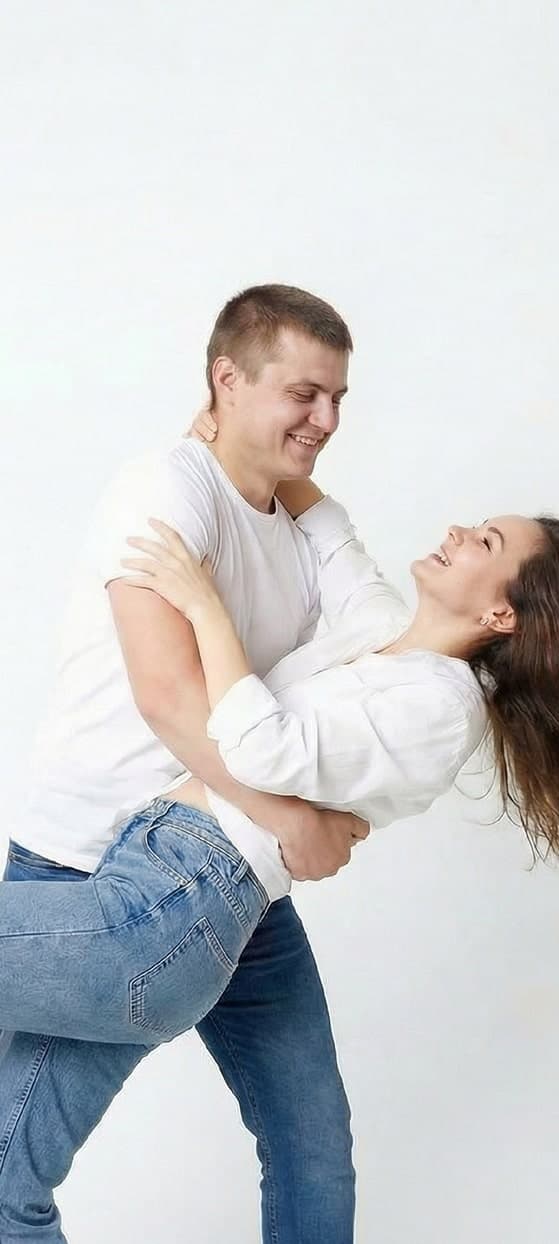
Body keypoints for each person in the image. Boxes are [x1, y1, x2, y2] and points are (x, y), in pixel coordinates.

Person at [1, 437, 559, 1040]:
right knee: (17, 1161)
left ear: (500, 613)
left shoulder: (440, 707)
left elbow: (263, 751)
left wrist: (201, 600)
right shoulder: (383, 635)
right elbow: (329, 534)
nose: (458, 531)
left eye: (486, 542)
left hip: (180, 894)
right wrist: (233, 420)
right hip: (153, 860)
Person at [0, 284, 366, 1244]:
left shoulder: (294, 530)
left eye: (337, 398)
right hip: (96, 871)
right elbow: (168, 694)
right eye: (303, 393)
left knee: (312, 1140)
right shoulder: (166, 489)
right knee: (10, 1179)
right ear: (226, 380)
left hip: (233, 878)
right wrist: (291, 817)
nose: (324, 419)